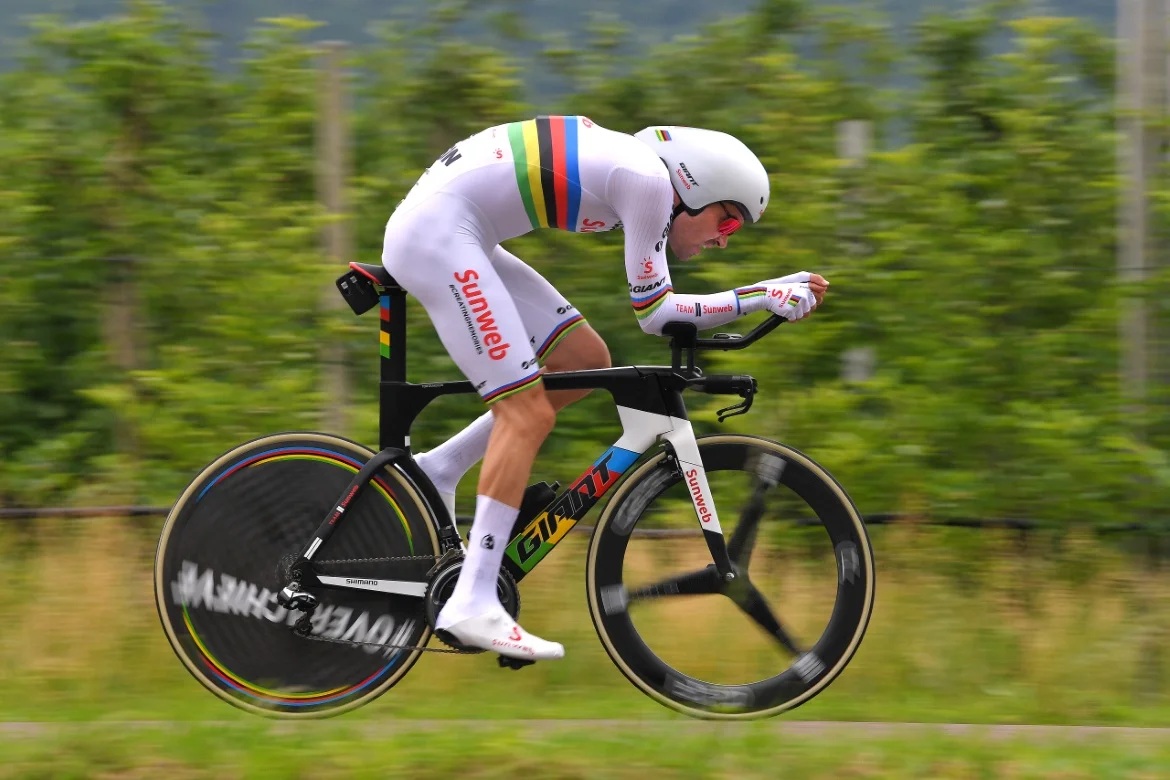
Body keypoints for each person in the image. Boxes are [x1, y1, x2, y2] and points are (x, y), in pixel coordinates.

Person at [381, 117, 829, 661]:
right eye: (727, 220)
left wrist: (764, 291)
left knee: (583, 360)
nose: (723, 239)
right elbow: (656, 313)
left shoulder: (641, 176)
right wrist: (761, 296)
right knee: (526, 414)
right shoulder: (648, 181)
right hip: (440, 235)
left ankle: (441, 469)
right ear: (695, 187)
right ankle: (472, 601)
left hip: (454, 229)